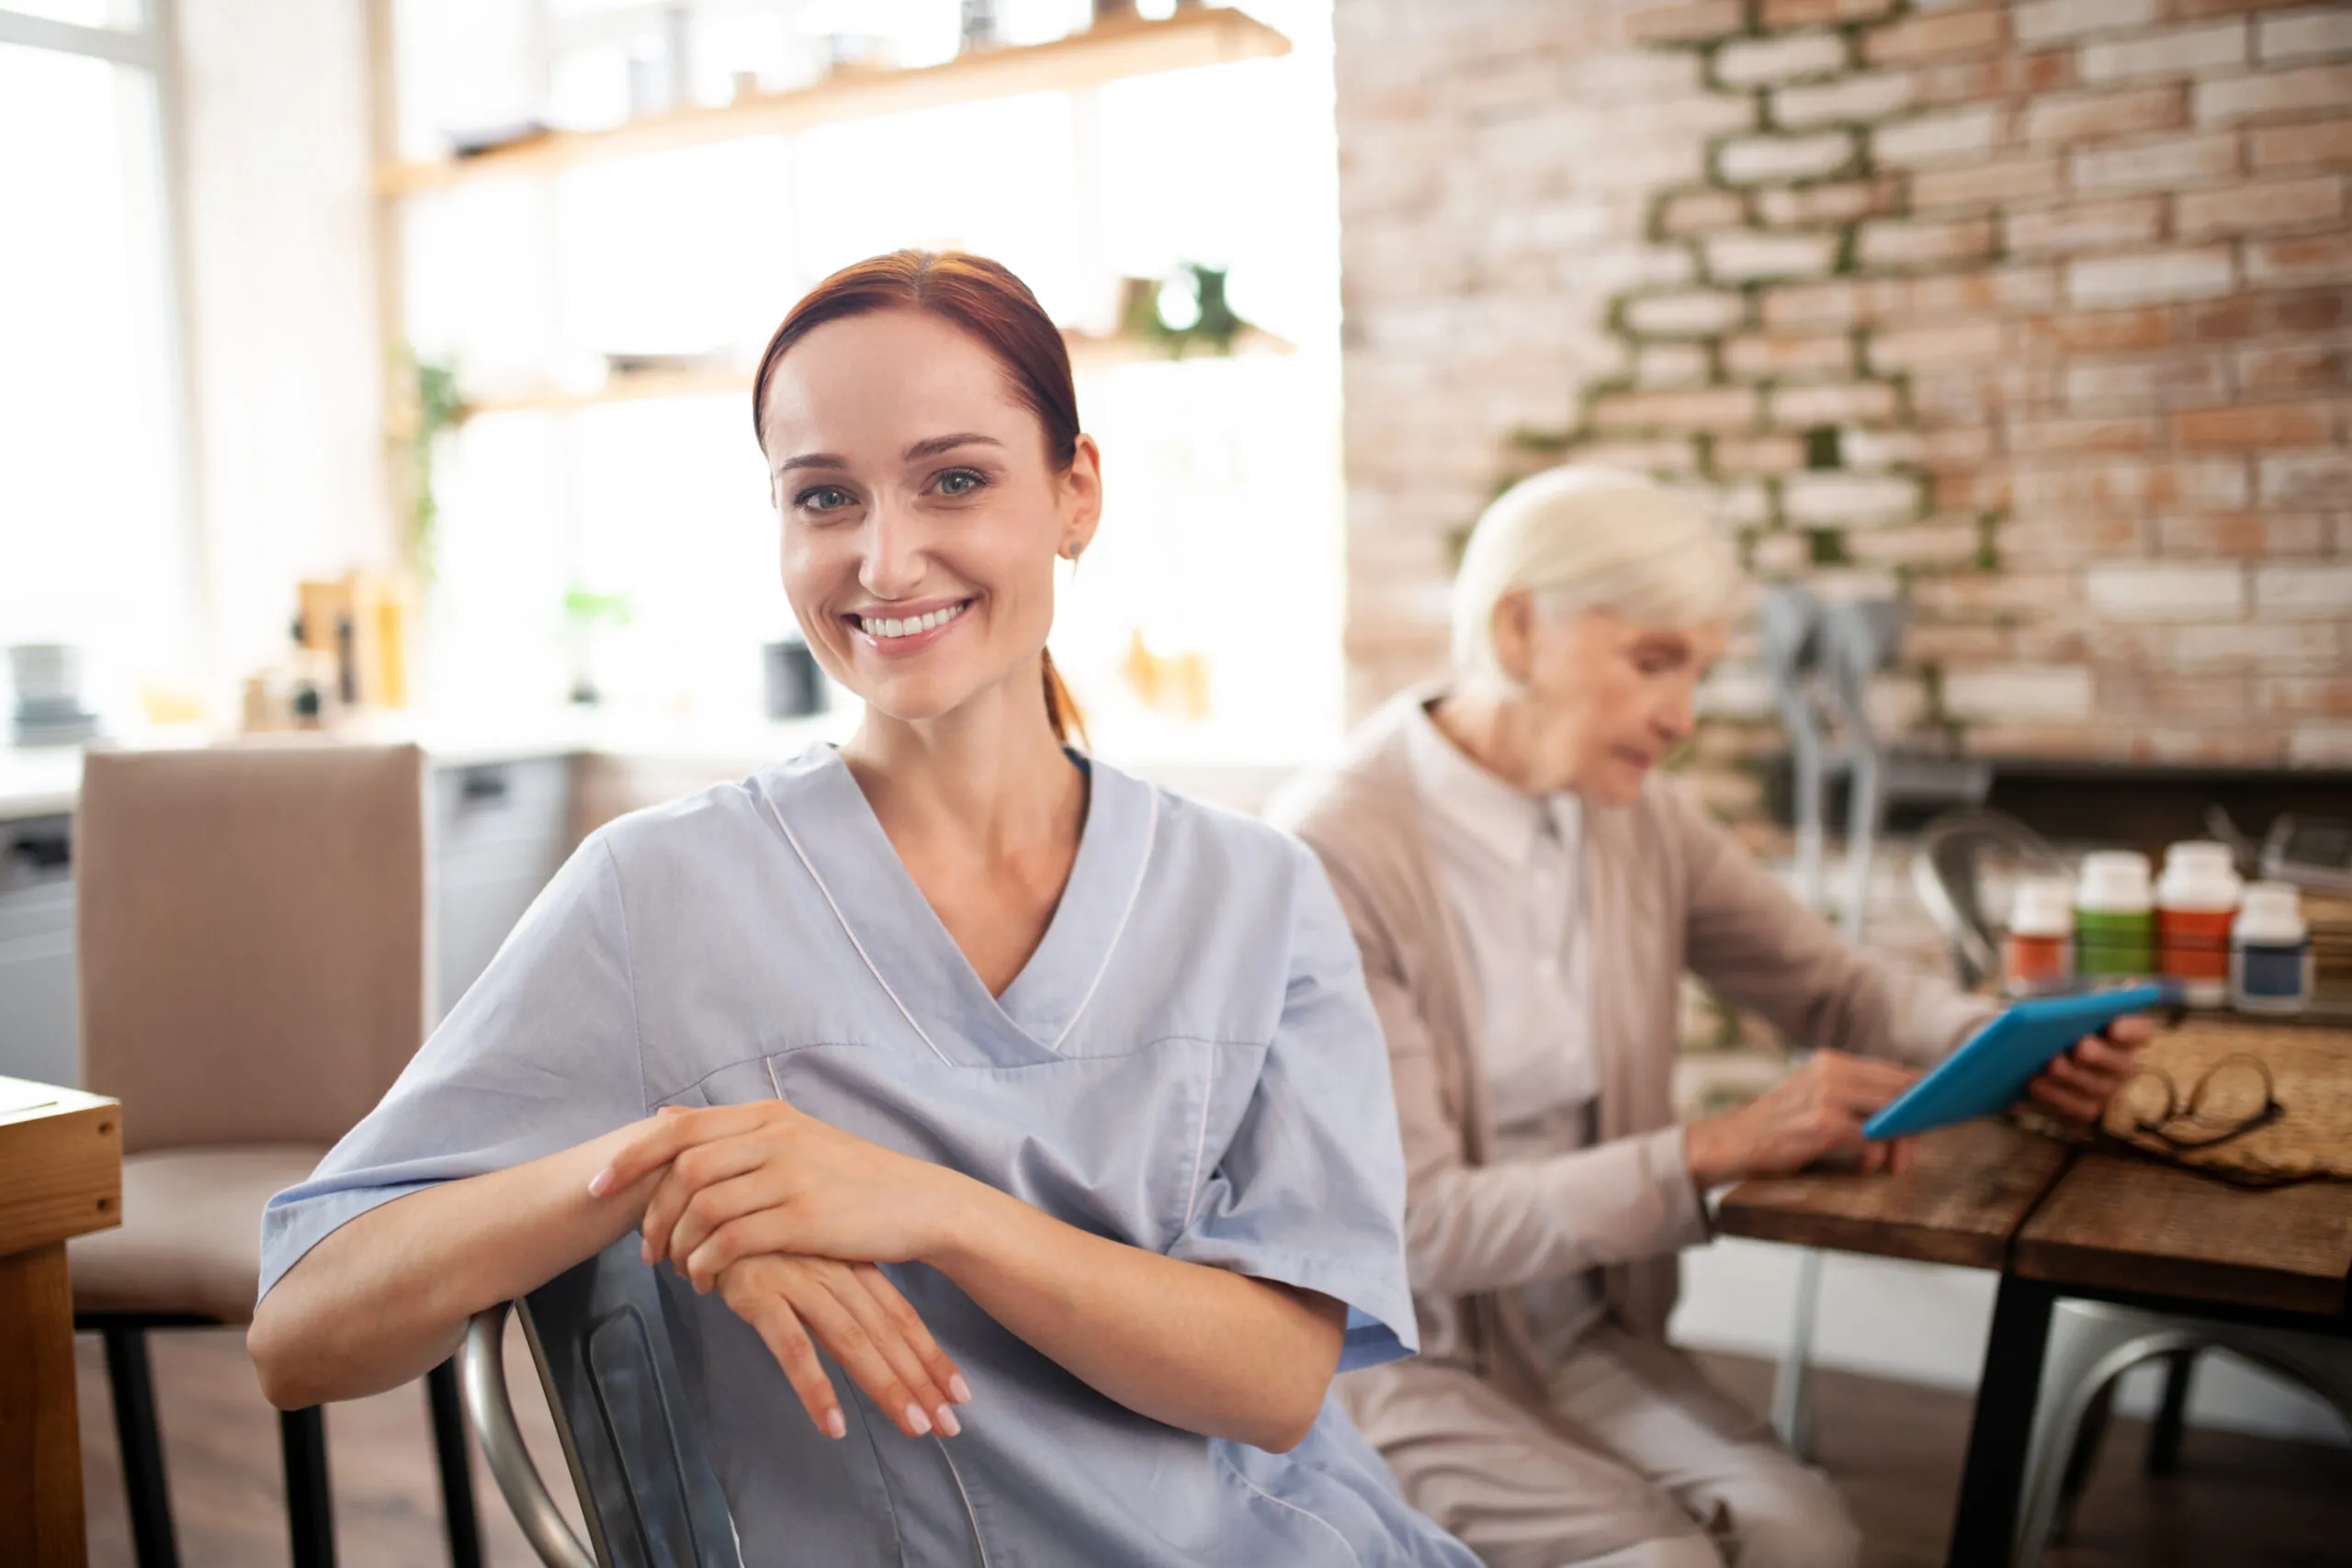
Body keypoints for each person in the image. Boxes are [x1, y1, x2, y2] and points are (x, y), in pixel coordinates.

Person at [248, 251, 1478, 1568]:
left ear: (1076, 492)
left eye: (956, 479)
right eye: (825, 496)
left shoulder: (1258, 891)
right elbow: (303, 1330)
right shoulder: (657, 892)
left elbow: (1277, 1380)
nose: (886, 561)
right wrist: (664, 1166)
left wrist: (935, 1209)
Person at [1271, 466, 2150, 1568]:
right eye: (1653, 662)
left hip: (1587, 1328)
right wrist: (1712, 1151)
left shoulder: (1637, 819)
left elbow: (1839, 990)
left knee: (1808, 1535)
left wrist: (2009, 1041)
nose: (1681, 718)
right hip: (1406, 1360)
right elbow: (1424, 1229)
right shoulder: (1330, 853)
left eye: (1698, 670)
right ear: (1518, 625)